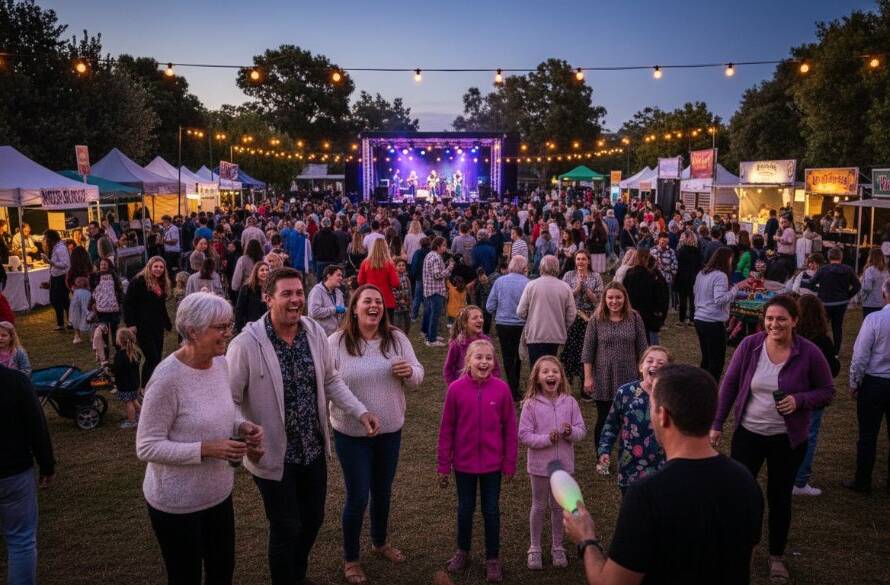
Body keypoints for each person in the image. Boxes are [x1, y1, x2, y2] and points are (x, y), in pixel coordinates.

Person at [226, 267, 380, 585]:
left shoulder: (312, 331)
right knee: (285, 527)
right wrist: (242, 426)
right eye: (287, 294)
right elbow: (228, 399)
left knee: (312, 520)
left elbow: (330, 379)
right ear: (268, 298)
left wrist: (360, 412)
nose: (296, 300)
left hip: (312, 449)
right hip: (273, 456)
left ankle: (296, 573)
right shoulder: (246, 344)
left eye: (299, 293)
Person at [566, 363, 764, 584]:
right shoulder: (746, 481)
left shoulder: (646, 494)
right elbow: (745, 560)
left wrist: (587, 539)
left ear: (663, 415)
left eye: (652, 406)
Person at [137, 293, 264, 585]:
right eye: (220, 327)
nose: (228, 333)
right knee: (186, 577)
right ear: (192, 331)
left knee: (222, 571)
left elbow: (222, 409)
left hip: (218, 495)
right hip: (177, 505)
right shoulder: (167, 379)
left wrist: (242, 425)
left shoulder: (220, 364)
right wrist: (205, 449)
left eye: (229, 325)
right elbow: (146, 445)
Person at [711, 294, 835, 581]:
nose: (774, 324)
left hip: (787, 439)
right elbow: (729, 386)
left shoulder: (809, 353)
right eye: (769, 318)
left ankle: (776, 555)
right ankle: (743, 547)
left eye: (781, 319)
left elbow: (828, 391)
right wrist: (717, 423)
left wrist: (799, 400)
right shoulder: (750, 345)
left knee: (779, 497)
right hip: (748, 434)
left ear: (794, 320)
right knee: (743, 494)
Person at [328, 284, 423, 584]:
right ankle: (351, 559)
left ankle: (380, 542)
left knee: (382, 491)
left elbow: (419, 375)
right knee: (358, 497)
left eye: (378, 302)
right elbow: (327, 383)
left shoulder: (396, 338)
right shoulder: (337, 342)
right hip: (351, 434)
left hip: (390, 430)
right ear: (354, 308)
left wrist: (410, 373)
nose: (374, 306)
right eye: (367, 301)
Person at [437, 339, 517, 583]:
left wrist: (509, 462)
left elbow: (510, 430)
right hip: (464, 465)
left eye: (488, 358)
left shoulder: (502, 389)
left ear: (494, 362)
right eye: (478, 357)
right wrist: (443, 465)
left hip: (493, 465)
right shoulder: (456, 390)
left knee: (491, 510)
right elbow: (446, 429)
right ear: (468, 361)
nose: (484, 362)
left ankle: (493, 558)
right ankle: (463, 551)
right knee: (465, 508)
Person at [518, 356, 585, 570]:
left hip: (563, 466)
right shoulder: (530, 404)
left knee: (558, 508)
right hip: (539, 466)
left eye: (554, 371)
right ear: (537, 378)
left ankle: (558, 547)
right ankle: (534, 548)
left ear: (561, 377)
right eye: (545, 372)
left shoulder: (570, 402)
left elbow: (581, 431)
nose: (550, 375)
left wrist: (570, 432)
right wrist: (547, 438)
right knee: (538, 506)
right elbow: (524, 435)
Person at [0, 364, 55, 585]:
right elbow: (36, 425)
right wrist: (47, 464)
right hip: (13, 471)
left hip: (14, 472)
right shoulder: (14, 380)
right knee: (20, 540)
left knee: (20, 538)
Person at [597, 346, 673, 494]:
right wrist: (604, 450)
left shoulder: (673, 396)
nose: (654, 365)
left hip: (662, 465)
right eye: (649, 361)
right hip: (630, 466)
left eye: (661, 363)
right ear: (640, 367)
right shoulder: (625, 392)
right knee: (632, 510)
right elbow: (611, 425)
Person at [582, 282, 649, 443]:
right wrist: (588, 377)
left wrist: (645, 376)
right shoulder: (596, 320)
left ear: (625, 298)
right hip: (604, 377)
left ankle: (627, 459)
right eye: (610, 297)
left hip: (629, 377)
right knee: (604, 420)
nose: (614, 301)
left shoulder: (634, 318)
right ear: (604, 299)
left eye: (618, 297)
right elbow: (588, 351)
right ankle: (602, 459)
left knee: (629, 420)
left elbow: (643, 349)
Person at [792, 295, 840, 496]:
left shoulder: (791, 336)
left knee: (789, 435)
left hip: (792, 393)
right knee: (807, 437)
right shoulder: (821, 341)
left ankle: (791, 477)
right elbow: (832, 369)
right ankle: (799, 481)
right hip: (811, 395)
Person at [845, 279, 890, 494]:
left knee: (868, 435)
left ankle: (863, 480)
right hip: (877, 380)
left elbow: (861, 355)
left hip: (874, 383)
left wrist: (854, 382)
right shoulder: (875, 318)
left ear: (884, 294)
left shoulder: (875, 319)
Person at [517, 255, 576, 370]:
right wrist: (563, 326)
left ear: (541, 267)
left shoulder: (531, 285)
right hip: (557, 336)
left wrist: (531, 317)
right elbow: (572, 314)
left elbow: (520, 312)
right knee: (553, 370)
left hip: (535, 335)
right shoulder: (565, 287)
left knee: (536, 370)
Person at [123, 256, 173, 387]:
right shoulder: (138, 281)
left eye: (161, 267)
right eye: (156, 266)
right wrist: (131, 324)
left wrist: (167, 323)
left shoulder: (160, 283)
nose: (158, 269)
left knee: (157, 357)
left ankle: (153, 383)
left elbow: (161, 306)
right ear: (150, 267)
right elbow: (128, 304)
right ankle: (145, 387)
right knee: (152, 357)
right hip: (143, 326)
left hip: (156, 326)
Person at [693, 247, 740, 381]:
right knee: (716, 362)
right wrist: (736, 289)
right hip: (712, 321)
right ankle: (710, 389)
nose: (732, 262)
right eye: (731, 259)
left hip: (700, 318)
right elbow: (719, 300)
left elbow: (697, 293)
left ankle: (701, 386)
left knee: (707, 358)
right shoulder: (721, 275)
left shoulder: (702, 273)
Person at [560, 250, 603, 385]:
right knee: (570, 350)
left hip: (589, 319)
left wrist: (586, 289)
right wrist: (577, 289)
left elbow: (598, 300)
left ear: (588, 261)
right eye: (578, 259)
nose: (580, 262)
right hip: (571, 317)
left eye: (583, 259)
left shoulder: (596, 276)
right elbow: (563, 297)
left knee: (587, 350)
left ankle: (586, 383)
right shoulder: (568, 275)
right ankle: (568, 382)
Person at [810, 246, 861, 356]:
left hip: (825, 302)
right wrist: (847, 296)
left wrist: (820, 290)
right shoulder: (848, 270)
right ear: (841, 257)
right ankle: (835, 352)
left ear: (829, 257)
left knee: (823, 327)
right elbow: (857, 286)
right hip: (840, 303)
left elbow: (811, 283)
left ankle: (821, 348)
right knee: (837, 327)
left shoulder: (823, 269)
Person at [443, 305, 501, 386]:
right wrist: (454, 387)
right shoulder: (457, 344)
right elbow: (448, 369)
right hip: (464, 387)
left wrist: (495, 383)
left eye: (481, 317)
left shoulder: (486, 341)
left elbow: (495, 367)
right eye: (475, 318)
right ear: (465, 323)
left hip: (485, 385)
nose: (480, 320)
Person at [623, 247, 669, 345]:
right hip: (648, 317)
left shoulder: (630, 274)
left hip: (635, 316)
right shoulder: (652, 276)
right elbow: (662, 297)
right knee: (649, 346)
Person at [422, 237, 455, 347]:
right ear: (438, 246)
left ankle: (431, 335)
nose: (445, 248)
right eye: (444, 245)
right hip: (435, 290)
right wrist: (450, 268)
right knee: (434, 315)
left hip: (430, 289)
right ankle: (432, 340)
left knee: (431, 314)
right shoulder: (436, 257)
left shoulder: (430, 255)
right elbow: (437, 275)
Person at [359, 238, 400, 321]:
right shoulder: (389, 264)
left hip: (370, 299)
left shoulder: (365, 263)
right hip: (386, 300)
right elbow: (395, 283)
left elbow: (360, 281)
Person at [113, 327, 142, 430]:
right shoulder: (136, 353)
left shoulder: (119, 356)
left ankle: (132, 421)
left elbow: (117, 370)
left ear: (120, 341)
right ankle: (142, 416)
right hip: (134, 383)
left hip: (125, 384)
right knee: (134, 400)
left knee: (128, 402)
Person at [307, 264, 345, 337]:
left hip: (335, 335)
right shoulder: (317, 291)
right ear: (329, 276)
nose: (341, 278)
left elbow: (341, 315)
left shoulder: (339, 293)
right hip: (319, 336)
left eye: (341, 276)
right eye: (338, 275)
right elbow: (314, 312)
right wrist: (334, 310)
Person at [44, 230, 70, 331]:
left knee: (62, 300)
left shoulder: (61, 248)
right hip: (56, 276)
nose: (45, 241)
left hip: (61, 277)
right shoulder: (56, 247)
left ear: (51, 239)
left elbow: (65, 264)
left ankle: (69, 322)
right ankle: (61, 323)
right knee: (57, 300)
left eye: (46, 238)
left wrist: (51, 262)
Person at [235, 261, 270, 333]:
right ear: (256, 272)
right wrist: (240, 328)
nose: (265, 272)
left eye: (267, 270)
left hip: (267, 326)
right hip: (252, 326)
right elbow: (240, 309)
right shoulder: (247, 288)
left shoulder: (271, 288)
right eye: (262, 270)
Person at [860, 248, 889, 318]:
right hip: (883, 303)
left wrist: (861, 292)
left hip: (870, 304)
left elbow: (867, 287)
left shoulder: (869, 270)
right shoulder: (886, 272)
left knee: (869, 327)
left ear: (871, 257)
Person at [68, 275, 92, 344]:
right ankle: (89, 336)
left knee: (78, 319)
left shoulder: (78, 292)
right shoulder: (87, 292)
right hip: (83, 309)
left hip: (83, 309)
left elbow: (73, 304)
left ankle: (78, 336)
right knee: (87, 319)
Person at [393, 258, 412, 334]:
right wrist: (398, 301)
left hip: (407, 307)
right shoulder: (394, 278)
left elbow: (410, 293)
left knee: (407, 326)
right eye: (399, 265)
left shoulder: (407, 278)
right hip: (398, 308)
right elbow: (393, 292)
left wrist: (410, 304)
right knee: (398, 327)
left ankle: (405, 342)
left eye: (403, 265)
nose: (401, 267)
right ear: (395, 267)